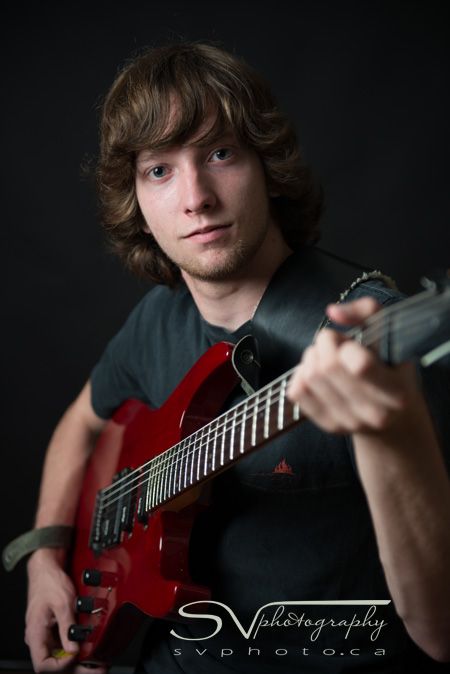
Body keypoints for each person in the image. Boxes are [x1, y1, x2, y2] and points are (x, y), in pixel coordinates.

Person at [16, 42, 450, 674]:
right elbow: (81, 423)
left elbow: (441, 635)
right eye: (159, 170)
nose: (195, 198)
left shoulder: (371, 339)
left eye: (220, 154)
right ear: (134, 199)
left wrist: (391, 429)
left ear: (266, 165)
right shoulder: (157, 319)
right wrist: (44, 555)